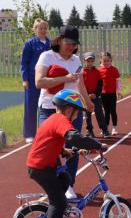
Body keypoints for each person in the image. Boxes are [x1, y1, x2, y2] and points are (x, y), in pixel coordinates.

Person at [26, 89, 101, 218]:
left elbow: (51, 140)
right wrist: (97, 144)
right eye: (77, 113)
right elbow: (73, 136)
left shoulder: (54, 119)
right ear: (69, 109)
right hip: (41, 168)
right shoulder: (61, 120)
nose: (76, 117)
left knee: (65, 178)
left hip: (43, 164)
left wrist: (65, 151)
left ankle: (59, 212)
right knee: (58, 201)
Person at [34, 26, 93, 199]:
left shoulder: (76, 61)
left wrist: (88, 102)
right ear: (59, 40)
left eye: (75, 44)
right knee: (50, 149)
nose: (71, 46)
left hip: (72, 111)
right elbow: (39, 82)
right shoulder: (47, 57)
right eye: (68, 42)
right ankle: (56, 184)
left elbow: (80, 84)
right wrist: (64, 79)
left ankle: (68, 185)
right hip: (49, 109)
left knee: (73, 148)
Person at [20, 19, 51, 143]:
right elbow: (24, 62)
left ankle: (46, 132)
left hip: (47, 80)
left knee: (47, 106)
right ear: (35, 29)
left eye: (44, 28)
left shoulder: (51, 44)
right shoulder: (30, 43)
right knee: (31, 107)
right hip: (32, 81)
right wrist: (25, 79)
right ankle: (29, 134)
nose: (43, 30)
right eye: (40, 28)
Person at [81, 51, 110, 138]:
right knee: (87, 115)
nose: (90, 63)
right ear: (84, 61)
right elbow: (81, 85)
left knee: (99, 114)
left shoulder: (97, 72)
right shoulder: (82, 72)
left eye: (91, 61)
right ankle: (89, 131)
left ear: (94, 61)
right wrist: (87, 95)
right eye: (88, 61)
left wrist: (96, 94)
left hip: (96, 97)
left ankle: (104, 130)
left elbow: (100, 84)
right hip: (86, 97)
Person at [99, 51, 122, 135]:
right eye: (104, 61)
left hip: (112, 94)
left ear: (111, 60)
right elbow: (97, 82)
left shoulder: (114, 69)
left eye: (108, 60)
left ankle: (114, 128)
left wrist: (119, 91)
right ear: (100, 60)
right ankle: (106, 128)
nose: (106, 62)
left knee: (113, 111)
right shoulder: (99, 70)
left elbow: (118, 81)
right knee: (106, 111)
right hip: (103, 94)